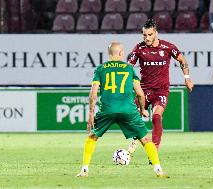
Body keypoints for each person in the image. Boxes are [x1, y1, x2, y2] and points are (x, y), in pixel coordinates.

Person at [76, 41, 169, 178]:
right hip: (128, 110)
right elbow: (140, 93)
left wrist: (90, 114)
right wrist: (143, 109)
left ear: (109, 54)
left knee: (92, 137)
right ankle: (158, 170)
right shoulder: (129, 69)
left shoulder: (101, 69)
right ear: (120, 53)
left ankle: (84, 170)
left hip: (107, 109)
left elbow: (93, 93)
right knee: (145, 139)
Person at [127, 19, 194, 156]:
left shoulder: (168, 47)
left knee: (156, 117)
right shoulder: (139, 49)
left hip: (161, 90)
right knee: (132, 114)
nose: (147, 38)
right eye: (144, 35)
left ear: (156, 33)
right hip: (144, 90)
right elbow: (128, 68)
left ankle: (154, 150)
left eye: (150, 35)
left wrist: (187, 79)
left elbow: (182, 60)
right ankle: (135, 138)